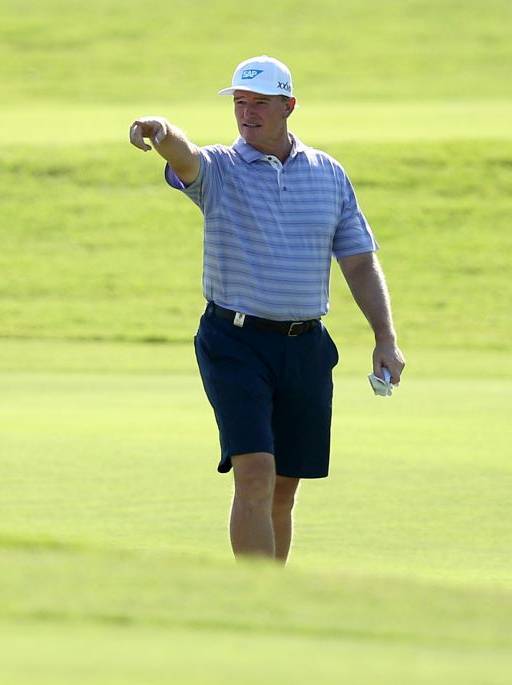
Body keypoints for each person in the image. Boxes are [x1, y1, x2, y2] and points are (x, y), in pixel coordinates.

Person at [128, 55, 405, 562]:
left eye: (259, 103)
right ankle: (254, 599)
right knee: (253, 471)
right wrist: (160, 130)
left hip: (306, 345)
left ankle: (271, 596)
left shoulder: (328, 173)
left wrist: (384, 336)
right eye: (240, 103)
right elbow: (184, 155)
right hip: (234, 341)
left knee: (284, 486)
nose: (247, 113)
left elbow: (359, 263)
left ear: (288, 106)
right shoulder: (218, 168)